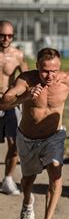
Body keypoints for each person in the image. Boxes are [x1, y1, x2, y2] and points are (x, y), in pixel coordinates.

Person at [0, 48, 69, 219]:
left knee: (55, 170)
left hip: (54, 136)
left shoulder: (68, 79)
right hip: (27, 138)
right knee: (28, 180)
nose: (50, 75)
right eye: (45, 71)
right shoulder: (26, 80)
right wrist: (26, 96)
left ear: (59, 67)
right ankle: (27, 201)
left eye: (54, 70)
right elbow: (3, 103)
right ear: (37, 66)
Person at [0, 20, 28, 195]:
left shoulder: (17, 55)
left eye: (10, 35)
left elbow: (26, 77)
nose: (6, 39)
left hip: (9, 103)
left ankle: (8, 179)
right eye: (3, 35)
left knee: (15, 143)